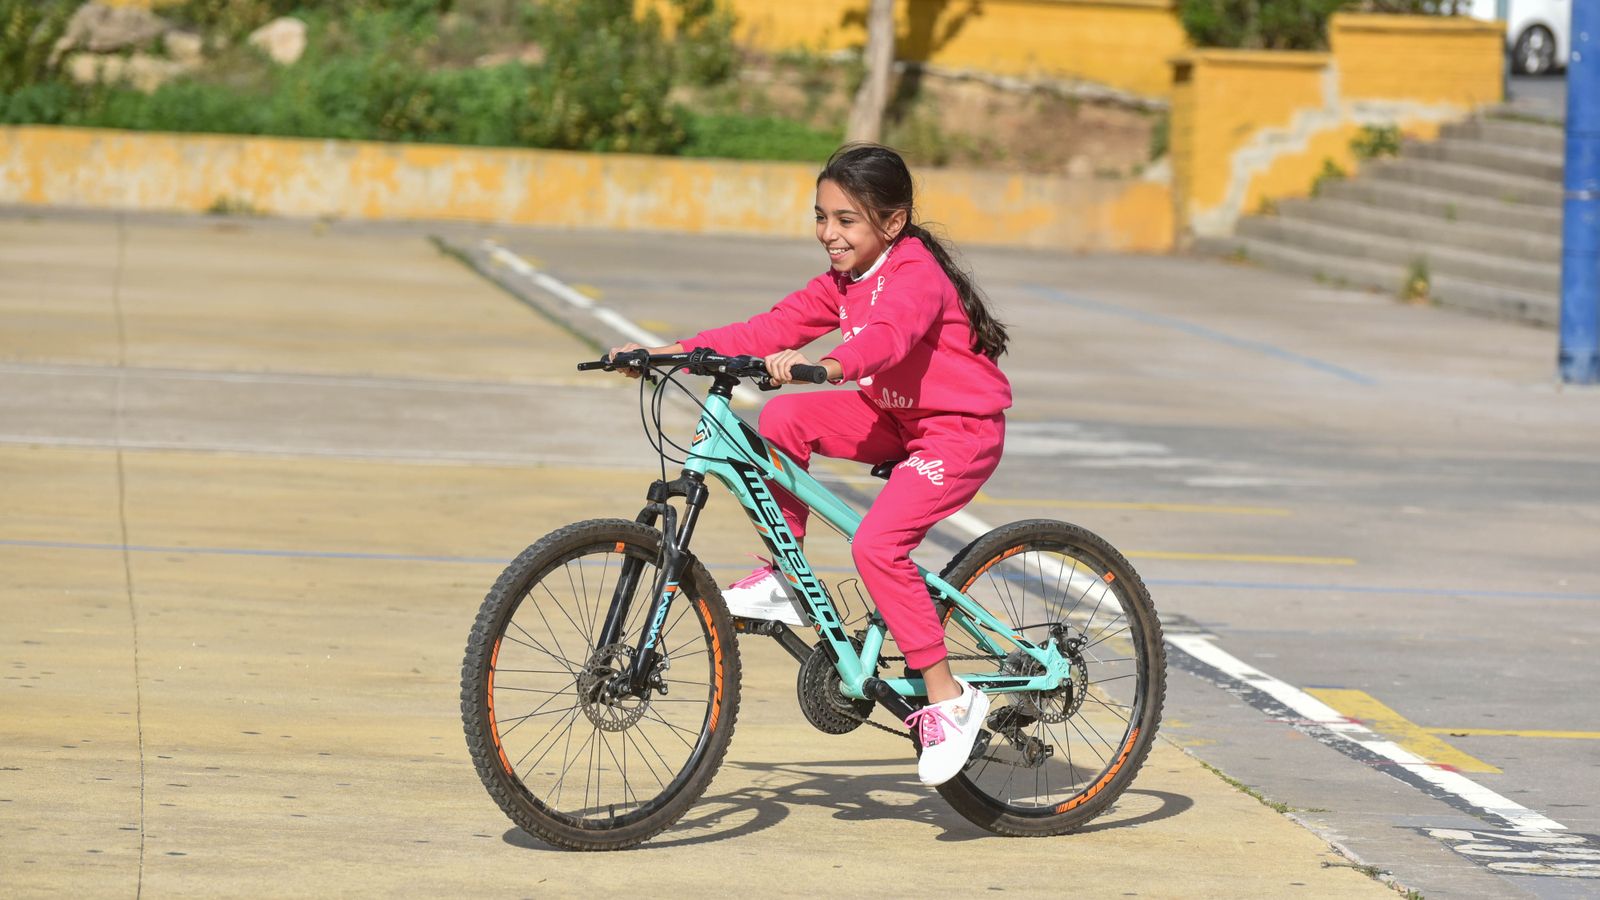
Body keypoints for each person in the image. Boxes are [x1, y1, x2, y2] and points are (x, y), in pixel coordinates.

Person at [608, 143, 1011, 787]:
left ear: (893, 222)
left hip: (956, 434)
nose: (828, 233)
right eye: (821, 217)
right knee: (781, 420)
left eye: (846, 220)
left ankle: (949, 698)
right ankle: (786, 577)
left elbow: (889, 338)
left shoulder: (915, 275)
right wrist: (663, 354)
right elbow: (767, 329)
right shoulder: (844, 281)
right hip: (894, 416)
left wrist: (828, 366)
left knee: (879, 547)